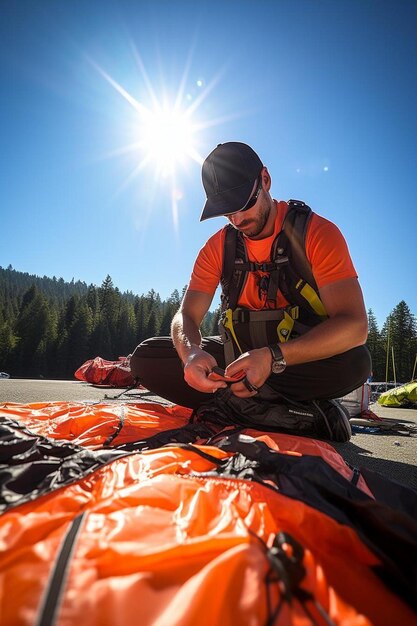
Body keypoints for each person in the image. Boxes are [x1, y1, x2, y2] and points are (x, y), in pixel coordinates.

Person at [131, 142, 371, 441]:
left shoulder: (317, 233)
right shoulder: (217, 247)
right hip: (236, 363)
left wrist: (273, 358)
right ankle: (291, 414)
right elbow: (186, 315)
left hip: (294, 361)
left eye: (244, 204)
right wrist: (191, 353)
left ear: (266, 180)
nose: (237, 219)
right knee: (146, 358)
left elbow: (355, 325)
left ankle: (235, 406)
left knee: (355, 362)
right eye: (226, 211)